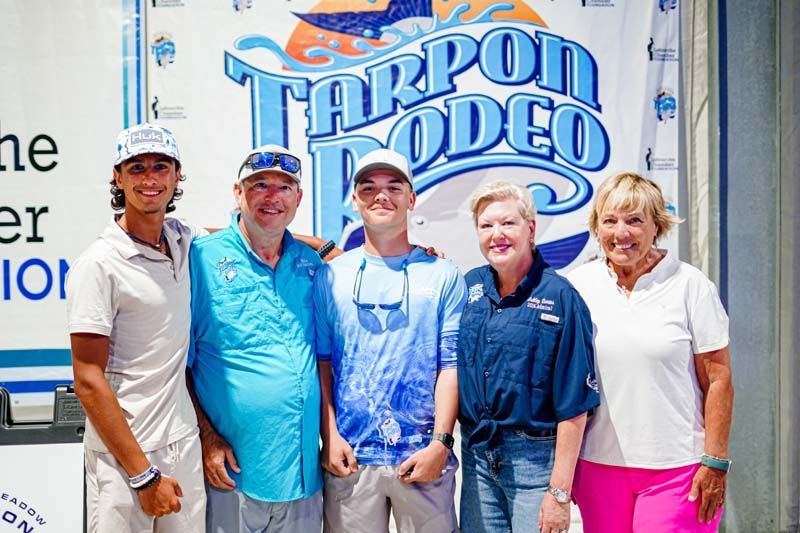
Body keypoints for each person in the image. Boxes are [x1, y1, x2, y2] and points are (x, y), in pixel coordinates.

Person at [567, 172, 733, 532]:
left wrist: (716, 461)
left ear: (657, 225)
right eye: (609, 221)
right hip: (597, 465)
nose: (621, 233)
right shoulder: (578, 285)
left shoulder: (691, 285)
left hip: (678, 468)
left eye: (634, 220)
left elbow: (718, 379)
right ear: (597, 227)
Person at [313, 148, 467, 532]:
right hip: (351, 461)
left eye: (394, 187)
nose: (381, 196)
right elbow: (322, 364)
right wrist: (329, 436)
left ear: (411, 199)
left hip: (423, 460)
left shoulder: (443, 275)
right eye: (368, 188)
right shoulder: (330, 276)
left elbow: (450, 366)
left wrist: (441, 443)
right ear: (354, 200)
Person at [66, 123, 205, 532]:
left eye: (160, 166)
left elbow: (246, 235)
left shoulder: (181, 239)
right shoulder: (98, 264)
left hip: (182, 440)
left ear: (177, 176)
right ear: (118, 177)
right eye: (136, 168)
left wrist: (319, 246)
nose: (149, 179)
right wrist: (142, 475)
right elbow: (87, 379)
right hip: (124, 456)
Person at [187, 145, 323, 532]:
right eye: (259, 184)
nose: (272, 196)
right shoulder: (199, 259)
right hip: (231, 474)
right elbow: (177, 364)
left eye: (284, 187)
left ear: (298, 198)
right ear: (238, 192)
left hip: (303, 478)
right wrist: (206, 437)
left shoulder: (311, 264)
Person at [457, 180, 600, 533]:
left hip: (535, 462)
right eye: (486, 225)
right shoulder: (470, 286)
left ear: (531, 229)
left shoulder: (561, 298)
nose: (497, 234)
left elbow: (575, 404)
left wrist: (559, 492)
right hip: (477, 458)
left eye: (508, 223)